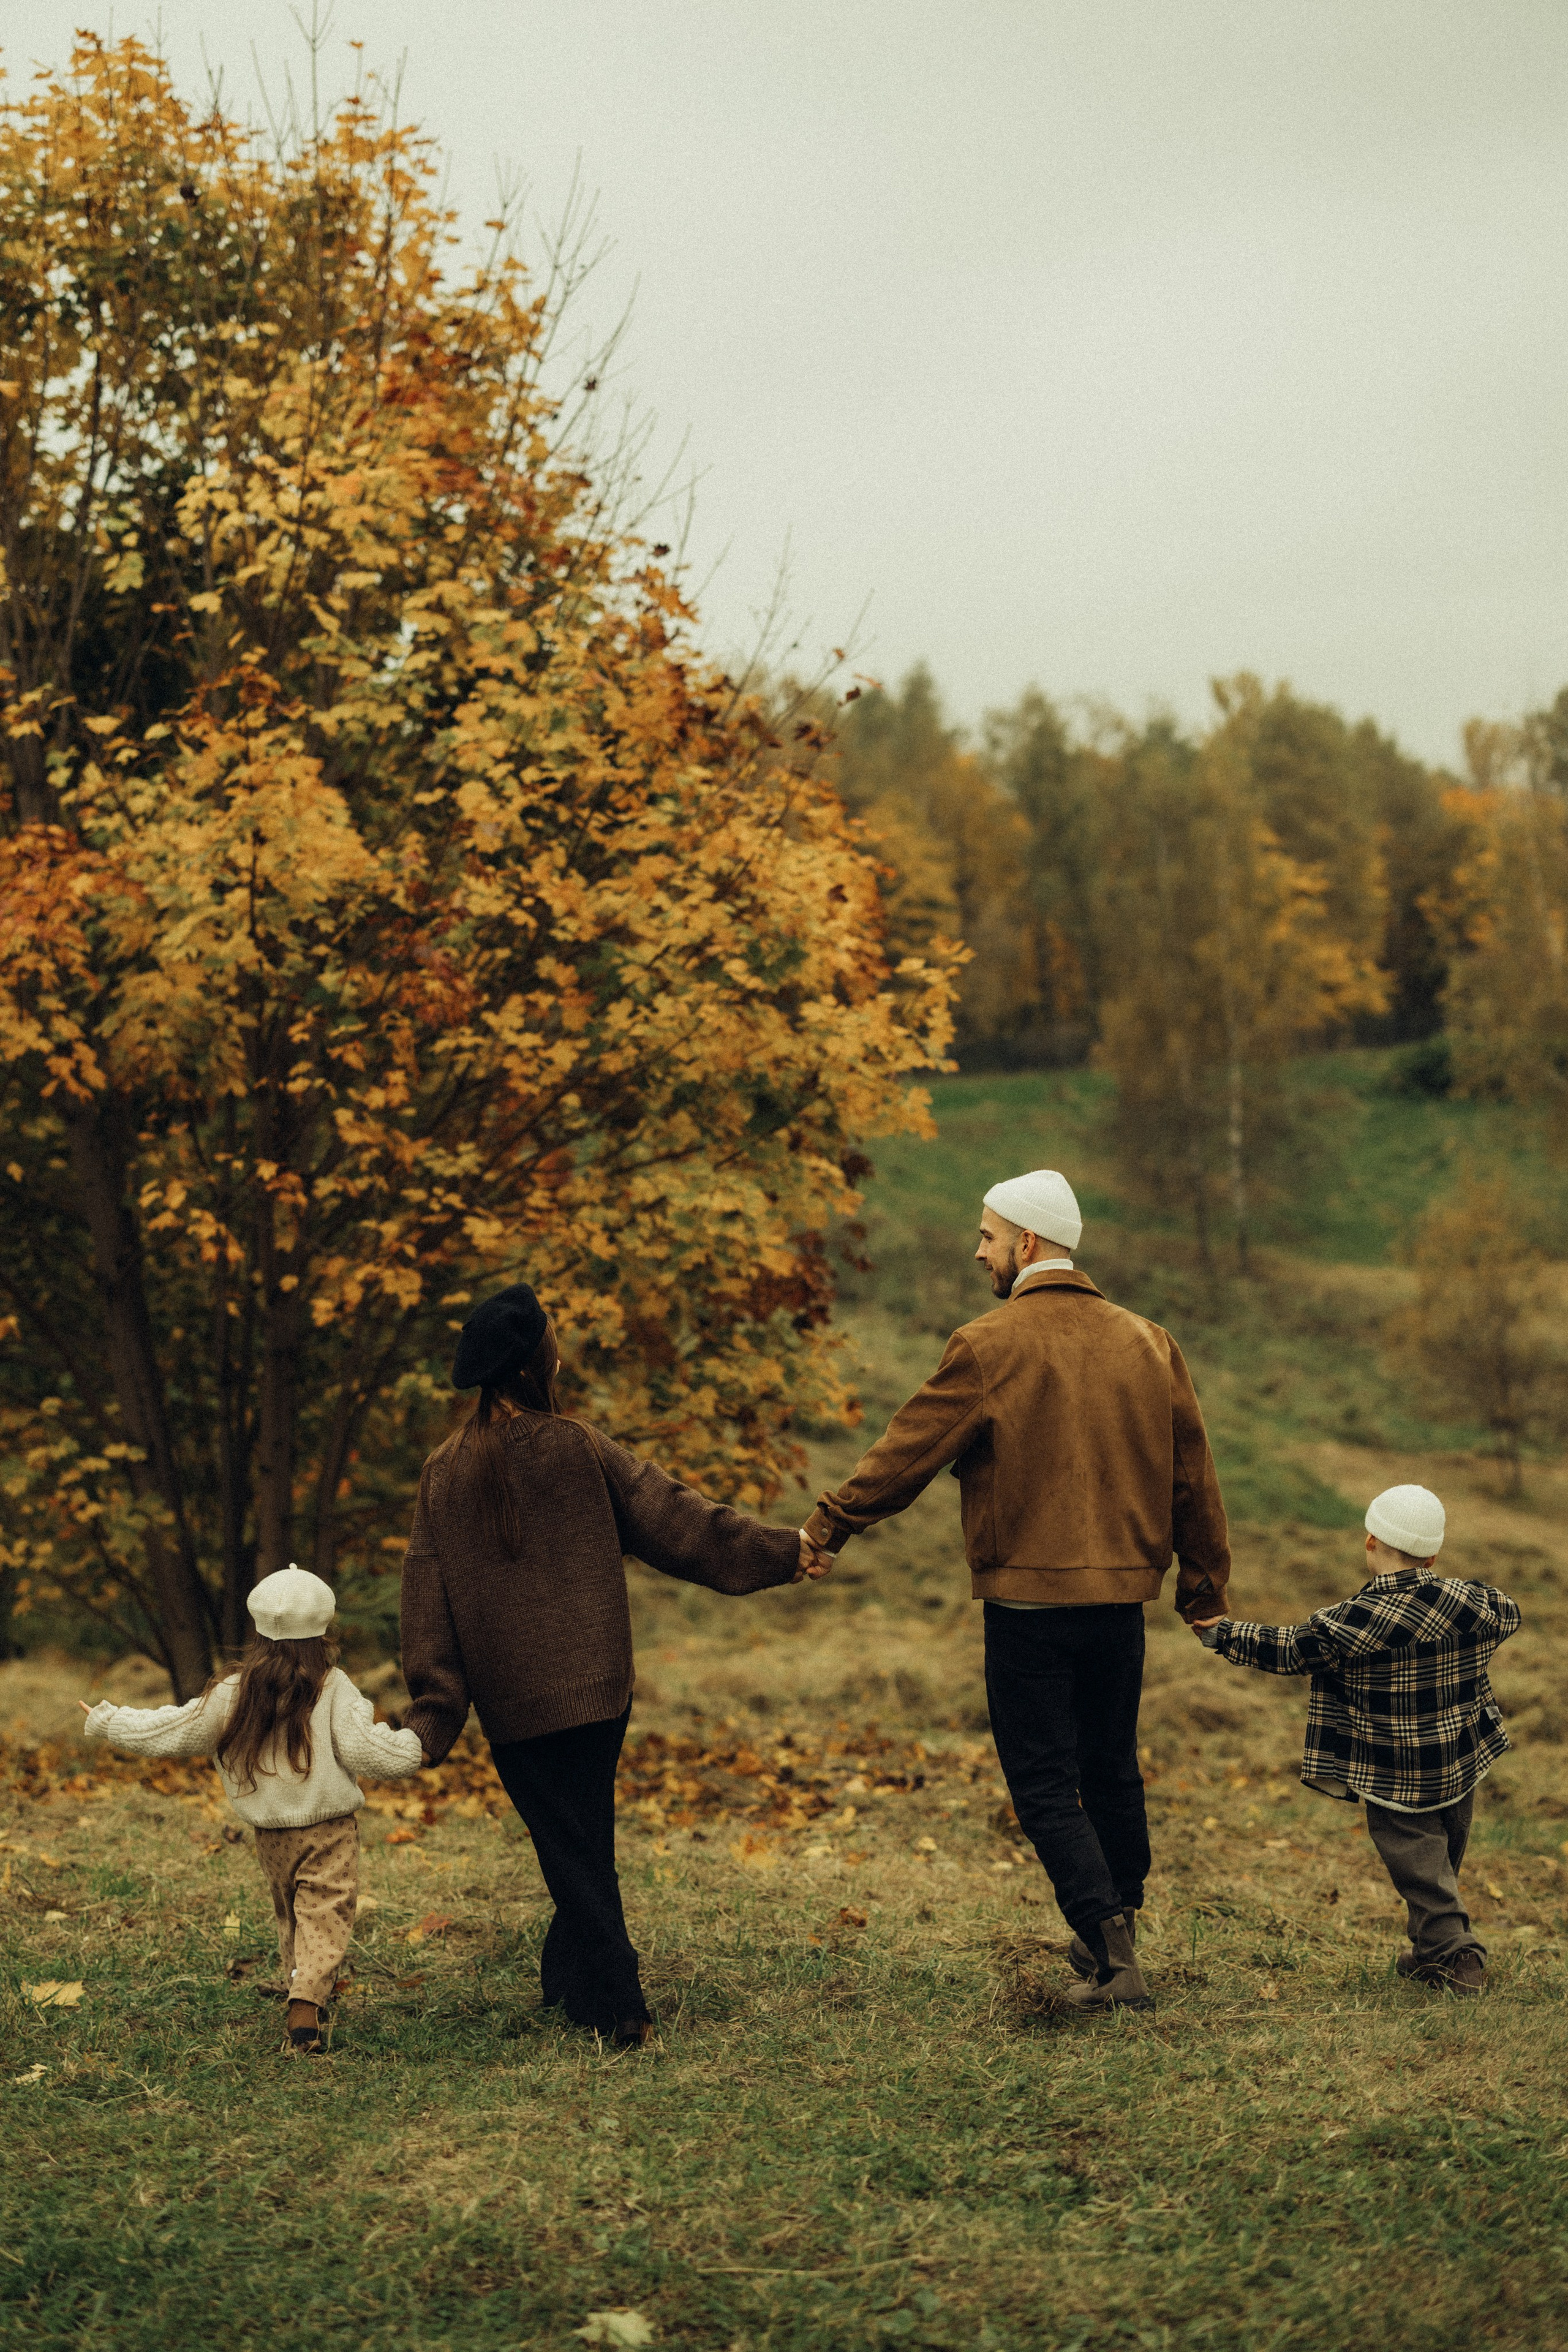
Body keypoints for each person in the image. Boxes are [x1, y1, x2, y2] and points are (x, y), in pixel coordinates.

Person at [801, 1169, 1230, 2014]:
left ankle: (1111, 1957)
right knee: (1111, 1770)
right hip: (1119, 1606)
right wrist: (1203, 1590)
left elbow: (908, 1451)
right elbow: (1195, 1479)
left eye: (989, 1236)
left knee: (1040, 1782)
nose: (979, 1250)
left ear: (1028, 1244)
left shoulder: (988, 1345)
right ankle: (1114, 1932)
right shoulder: (1151, 1342)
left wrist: (830, 1523)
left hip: (1029, 1612)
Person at [399, 1281, 829, 2048]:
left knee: (569, 1838)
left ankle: (601, 1997)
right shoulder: (577, 1444)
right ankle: (601, 1993)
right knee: (579, 1835)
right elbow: (681, 1521)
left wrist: (432, 1715)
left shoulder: (443, 1470)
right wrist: (783, 1551)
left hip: (514, 1704)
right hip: (599, 1692)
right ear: (538, 1361)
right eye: (553, 1337)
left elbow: (425, 1602)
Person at [80, 1564, 424, 2054]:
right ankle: (305, 2013)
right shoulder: (334, 1687)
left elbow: (174, 1730)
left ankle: (299, 1986)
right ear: (325, 1632)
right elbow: (370, 1751)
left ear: (259, 1630)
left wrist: (109, 1721)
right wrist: (416, 1747)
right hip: (328, 1830)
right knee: (324, 1916)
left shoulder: (233, 1690)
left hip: (271, 1838)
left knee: (293, 1916)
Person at [1191, 1483, 1520, 1996]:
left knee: (1421, 1867)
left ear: (1371, 1541)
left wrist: (1223, 1634)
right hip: (1458, 1762)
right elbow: (1509, 1612)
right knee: (1439, 1861)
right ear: (1433, 1553)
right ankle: (1432, 1951)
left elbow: (1290, 1649)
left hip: (1394, 1770)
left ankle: (1460, 1957)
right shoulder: (1475, 1602)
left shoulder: (1353, 1621)